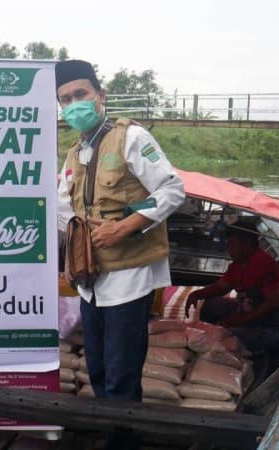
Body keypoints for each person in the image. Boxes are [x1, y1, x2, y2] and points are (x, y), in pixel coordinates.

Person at [55, 59, 185, 450]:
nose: (74, 104)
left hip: (129, 277)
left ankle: (123, 442)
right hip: (91, 280)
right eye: (65, 99)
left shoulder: (131, 137)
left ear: (100, 95)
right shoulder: (74, 154)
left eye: (80, 94)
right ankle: (113, 433)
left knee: (121, 375)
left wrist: (125, 226)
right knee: (97, 368)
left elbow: (172, 190)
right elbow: (63, 213)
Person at [184, 221, 279, 352]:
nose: (228, 248)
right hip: (246, 313)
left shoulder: (265, 264)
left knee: (228, 336)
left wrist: (236, 321)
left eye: (232, 243)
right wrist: (197, 294)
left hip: (271, 328)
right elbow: (220, 288)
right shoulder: (237, 265)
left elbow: (271, 305)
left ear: (247, 244)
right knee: (210, 306)